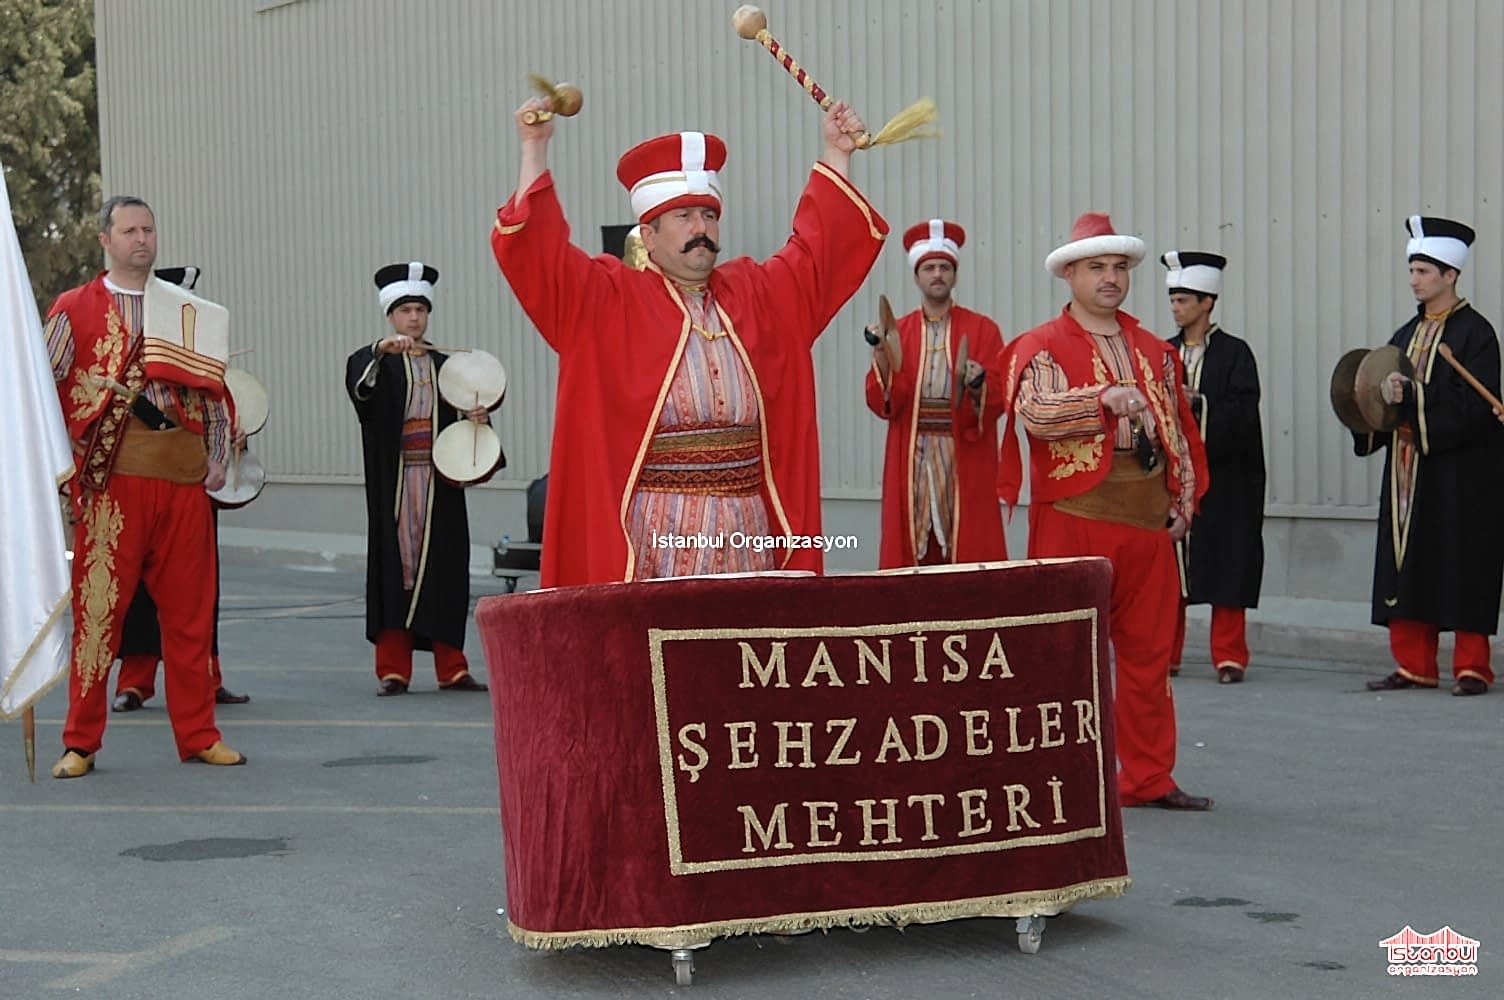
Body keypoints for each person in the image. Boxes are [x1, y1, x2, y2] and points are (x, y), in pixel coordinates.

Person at [491, 100, 888, 586]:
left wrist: (836, 153)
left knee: (746, 634)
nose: (701, 229)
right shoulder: (604, 301)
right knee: (659, 637)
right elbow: (538, 255)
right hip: (652, 539)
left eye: (708, 215)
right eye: (683, 216)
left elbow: (819, 252)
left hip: (750, 533)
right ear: (648, 235)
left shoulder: (759, 295)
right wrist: (534, 147)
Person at [998, 211, 1212, 810]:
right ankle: (1063, 780)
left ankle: (1148, 777)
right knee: (1064, 657)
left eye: (1119, 267)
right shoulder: (1039, 346)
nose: (1110, 277)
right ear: (1069, 275)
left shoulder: (1156, 351)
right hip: (1075, 516)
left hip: (1146, 520)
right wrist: (1102, 399)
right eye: (1096, 267)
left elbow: (1179, 431)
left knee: (1149, 658)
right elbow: (1035, 414)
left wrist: (1184, 501)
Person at [44, 195, 245, 777]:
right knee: (98, 616)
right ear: (105, 240)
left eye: (148, 229)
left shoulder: (187, 311)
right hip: (112, 481)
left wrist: (217, 455)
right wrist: (56, 469)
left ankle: (199, 734)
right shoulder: (73, 308)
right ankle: (81, 740)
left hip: (182, 480)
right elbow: (41, 390)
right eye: (129, 230)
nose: (141, 239)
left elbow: (213, 390)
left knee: (190, 617)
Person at [1359, 216, 1503, 697]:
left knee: (1463, 560)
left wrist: (1415, 396)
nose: (1414, 280)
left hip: (1461, 472)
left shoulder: (1476, 334)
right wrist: (1372, 401)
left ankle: (1472, 667)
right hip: (1408, 469)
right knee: (1408, 562)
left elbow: (1474, 407)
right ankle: (1413, 664)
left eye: (1423, 271)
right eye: (1412, 271)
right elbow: (1381, 398)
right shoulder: (1405, 334)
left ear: (1450, 274)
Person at [345, 263, 492, 697]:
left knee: (445, 568)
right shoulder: (376, 362)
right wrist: (380, 351)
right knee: (395, 570)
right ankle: (393, 669)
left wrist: (478, 418)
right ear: (391, 315)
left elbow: (467, 418)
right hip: (396, 481)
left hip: (439, 483)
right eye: (405, 310)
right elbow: (361, 390)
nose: (414, 318)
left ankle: (453, 667)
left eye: (420, 310)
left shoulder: (448, 366)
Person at [112, 265, 250, 712]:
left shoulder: (204, 361)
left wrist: (231, 438)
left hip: (192, 483)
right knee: (136, 586)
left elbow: (222, 410)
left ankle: (207, 679)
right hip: (141, 480)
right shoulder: (131, 358)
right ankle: (135, 681)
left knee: (197, 592)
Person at [866, 219, 1007, 567]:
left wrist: (979, 384)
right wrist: (881, 352)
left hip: (962, 449)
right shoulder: (900, 331)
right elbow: (885, 402)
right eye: (929, 268)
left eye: (945, 267)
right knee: (913, 537)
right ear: (917, 277)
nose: (938, 274)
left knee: (965, 537)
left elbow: (1000, 392)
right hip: (912, 449)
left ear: (954, 275)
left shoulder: (983, 329)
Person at [1161, 252, 1266, 684]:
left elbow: (1244, 414)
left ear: (1207, 302)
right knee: (1169, 569)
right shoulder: (1163, 352)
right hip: (1173, 479)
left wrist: (1199, 404)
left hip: (1226, 479)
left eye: (1183, 300)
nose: (1175, 308)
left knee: (1228, 561)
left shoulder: (1235, 353)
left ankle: (1229, 656)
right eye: (1173, 300)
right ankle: (1166, 654)